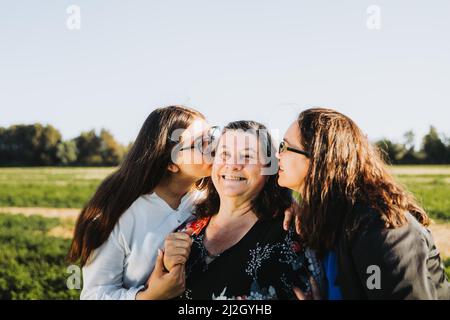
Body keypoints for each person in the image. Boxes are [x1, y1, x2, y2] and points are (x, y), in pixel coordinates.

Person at [277, 107, 449, 299]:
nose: (277, 155)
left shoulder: (380, 227)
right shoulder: (327, 215)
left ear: (318, 158)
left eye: (284, 146)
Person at [67, 105, 219, 300]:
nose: (214, 147)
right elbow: (93, 294)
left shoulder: (215, 197)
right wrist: (148, 297)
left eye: (212, 136)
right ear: (170, 164)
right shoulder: (118, 217)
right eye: (200, 143)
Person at [164, 120, 324, 300]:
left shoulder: (293, 232)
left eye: (247, 156)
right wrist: (168, 269)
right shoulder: (184, 234)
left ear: (269, 168)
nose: (233, 165)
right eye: (224, 154)